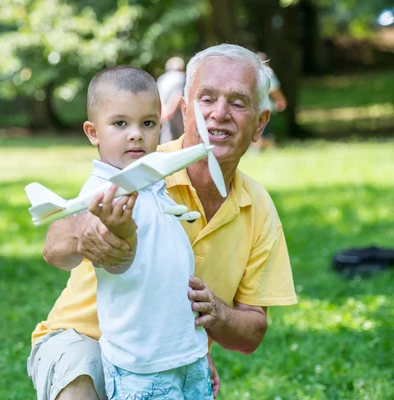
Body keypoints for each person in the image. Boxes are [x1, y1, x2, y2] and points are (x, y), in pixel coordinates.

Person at [28, 44, 298, 400]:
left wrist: (212, 319)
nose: (219, 114)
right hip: (81, 336)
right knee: (80, 388)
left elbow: (251, 333)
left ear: (260, 123)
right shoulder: (142, 164)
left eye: (237, 102)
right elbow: (53, 247)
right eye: (206, 99)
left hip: (165, 356)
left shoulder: (258, 206)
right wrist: (84, 232)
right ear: (184, 111)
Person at [58, 65, 212, 399]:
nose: (136, 134)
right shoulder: (104, 194)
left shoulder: (151, 180)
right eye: (119, 124)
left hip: (185, 353)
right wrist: (118, 232)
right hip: (141, 366)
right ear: (92, 132)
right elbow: (113, 262)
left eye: (148, 123)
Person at [251, 52, 288, 151]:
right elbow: (274, 89)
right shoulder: (266, 72)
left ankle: (261, 148)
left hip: (252, 108)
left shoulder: (248, 72)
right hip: (264, 108)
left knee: (258, 131)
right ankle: (267, 147)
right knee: (262, 131)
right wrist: (280, 100)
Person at [158, 56, 186, 144]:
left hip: (164, 114)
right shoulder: (182, 77)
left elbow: (158, 96)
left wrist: (164, 111)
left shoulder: (162, 79)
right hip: (178, 114)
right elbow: (178, 94)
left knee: (166, 138)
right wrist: (171, 110)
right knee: (182, 139)